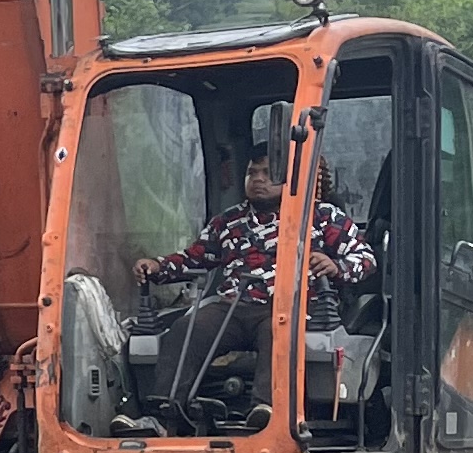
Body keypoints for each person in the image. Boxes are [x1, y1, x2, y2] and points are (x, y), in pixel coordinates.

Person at [130, 148, 377, 429]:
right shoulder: (228, 221)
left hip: (293, 307)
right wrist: (157, 266)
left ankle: (267, 414)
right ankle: (163, 416)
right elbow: (194, 258)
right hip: (234, 306)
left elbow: (366, 260)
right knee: (187, 328)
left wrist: (336, 266)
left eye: (268, 174)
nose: (258, 179)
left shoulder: (322, 216)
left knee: (278, 330)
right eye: (252, 173)